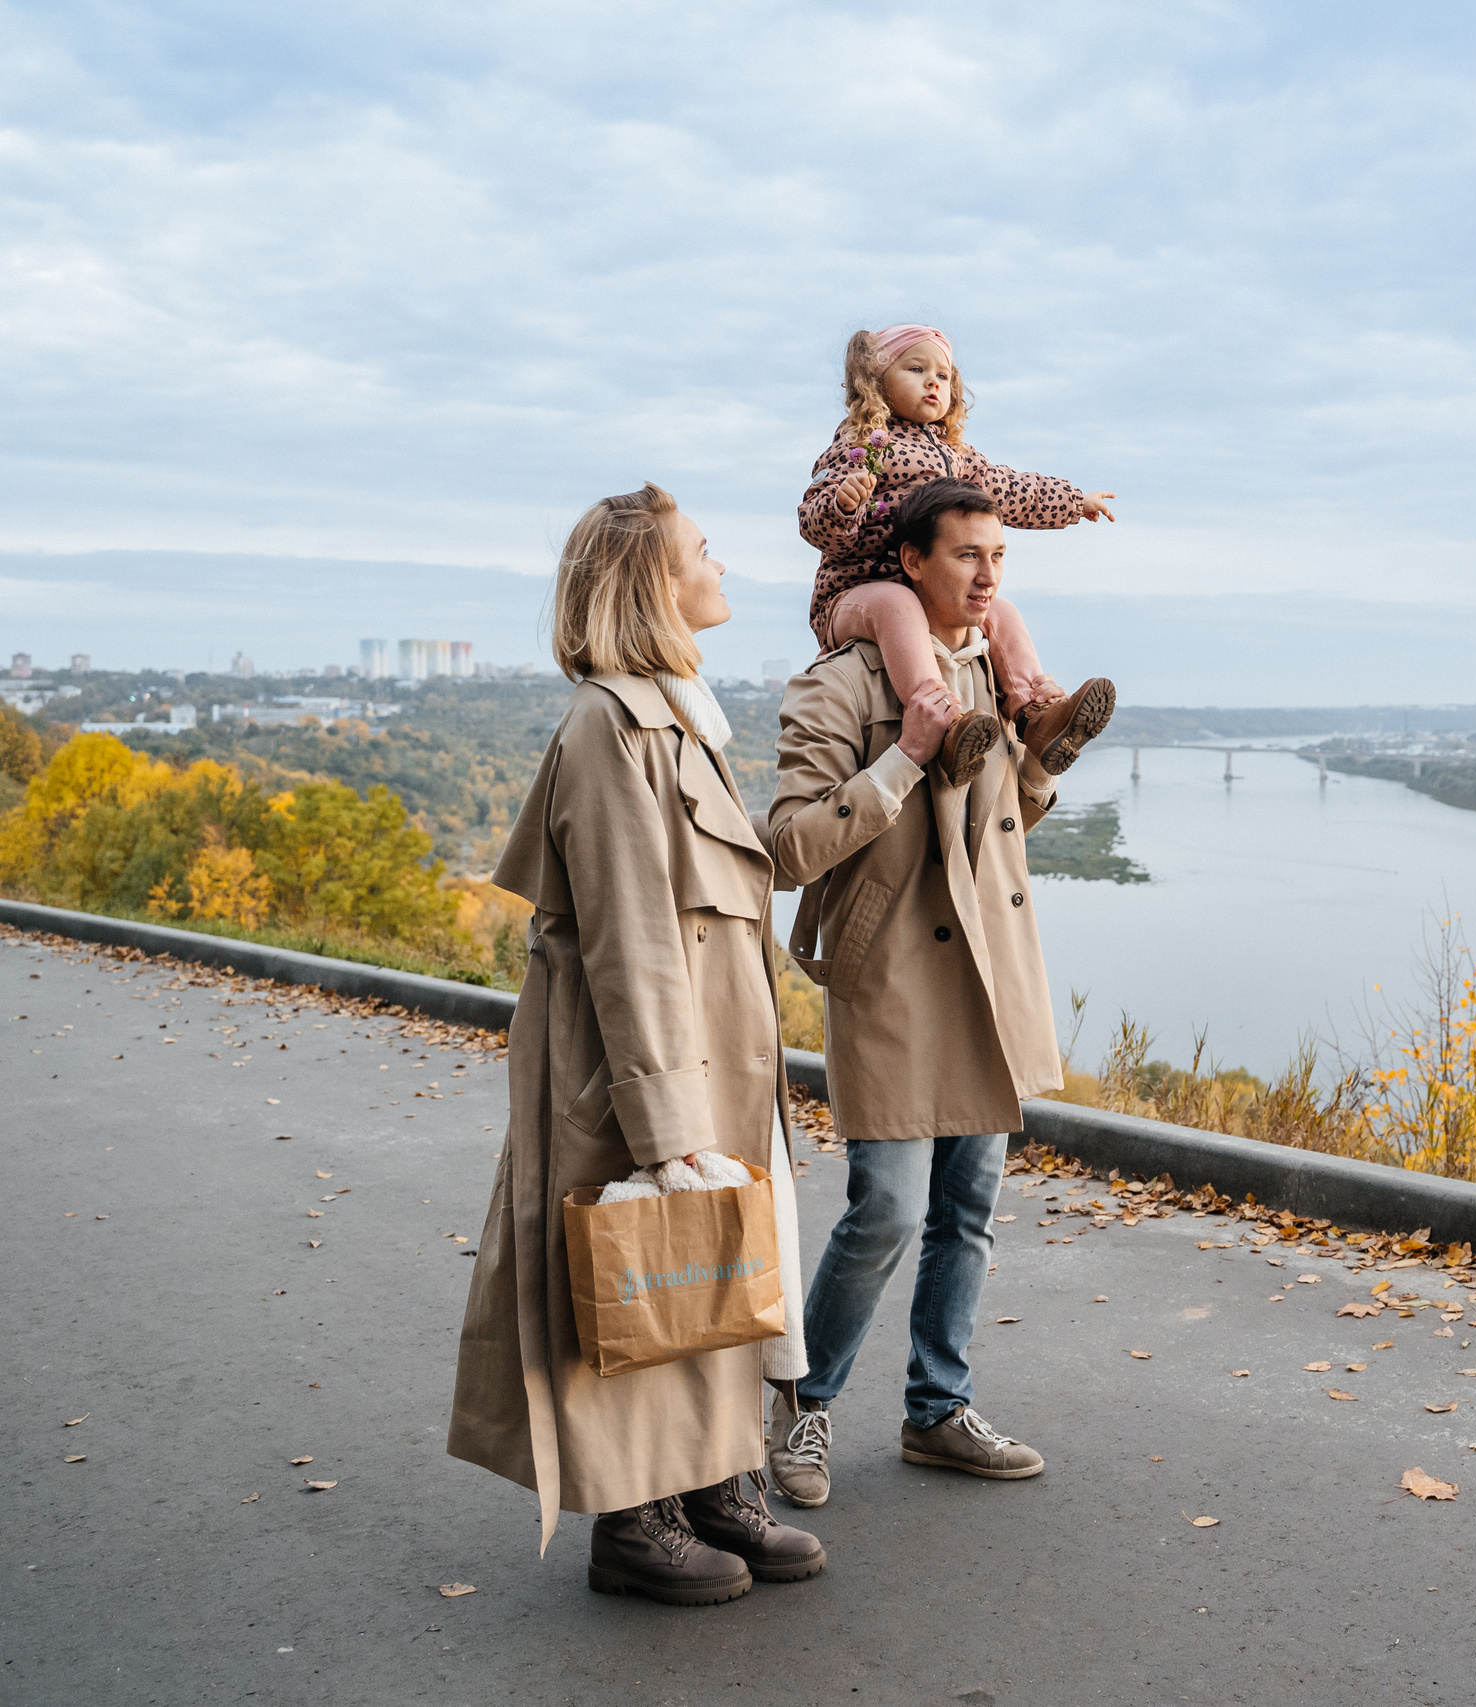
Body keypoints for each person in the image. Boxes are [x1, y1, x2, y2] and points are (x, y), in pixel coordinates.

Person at [447, 482, 825, 1606]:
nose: (723, 568)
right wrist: (667, 1128)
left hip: (711, 1063)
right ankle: (633, 1519)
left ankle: (712, 1482)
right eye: (705, 552)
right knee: (634, 1287)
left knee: (704, 1280)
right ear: (655, 584)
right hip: (640, 1073)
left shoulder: (675, 716)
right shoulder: (610, 729)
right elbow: (628, 938)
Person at [760, 477, 1067, 1506]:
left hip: (984, 969)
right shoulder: (839, 685)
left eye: (999, 558)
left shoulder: (987, 671)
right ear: (910, 563)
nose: (988, 577)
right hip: (889, 973)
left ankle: (937, 1410)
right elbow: (788, 847)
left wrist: (1040, 758)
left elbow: (1009, 821)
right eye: (967, 556)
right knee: (885, 1209)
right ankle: (804, 1404)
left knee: (968, 1204)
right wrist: (905, 757)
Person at [798, 322, 1118, 786]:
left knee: (1001, 612)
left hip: (931, 594)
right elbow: (815, 522)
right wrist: (844, 503)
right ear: (876, 380)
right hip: (857, 594)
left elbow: (1010, 490)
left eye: (944, 376)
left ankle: (1037, 716)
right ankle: (943, 724)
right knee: (897, 603)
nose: (934, 382)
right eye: (916, 368)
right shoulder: (863, 443)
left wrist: (1073, 501)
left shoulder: (955, 455)